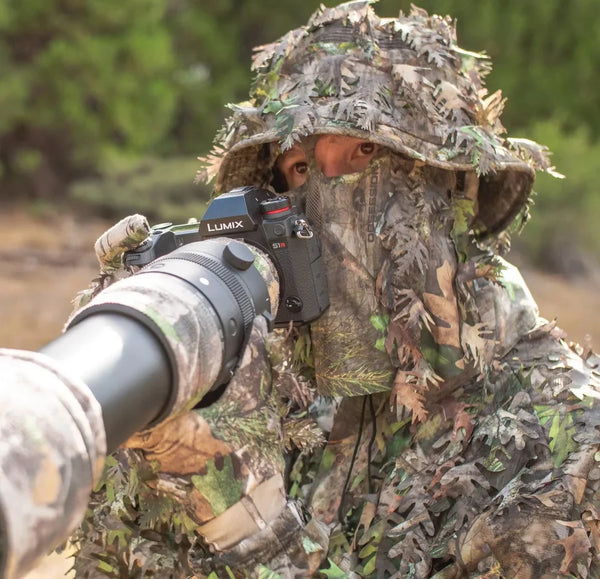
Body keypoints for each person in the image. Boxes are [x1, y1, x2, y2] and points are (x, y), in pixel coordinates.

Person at [70, 1, 600, 577]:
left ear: (452, 186)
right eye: (299, 168)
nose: (325, 201)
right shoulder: (297, 401)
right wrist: (151, 416)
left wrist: (252, 527)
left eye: (364, 152)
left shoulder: (569, 449)